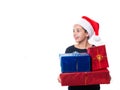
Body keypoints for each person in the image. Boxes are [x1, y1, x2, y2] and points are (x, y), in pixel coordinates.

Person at [58, 16, 100, 90]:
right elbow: (66, 71)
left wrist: (105, 75)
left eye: (78, 31)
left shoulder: (94, 49)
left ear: (87, 33)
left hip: (92, 88)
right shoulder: (69, 50)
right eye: (73, 31)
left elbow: (100, 70)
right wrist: (61, 76)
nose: (75, 34)